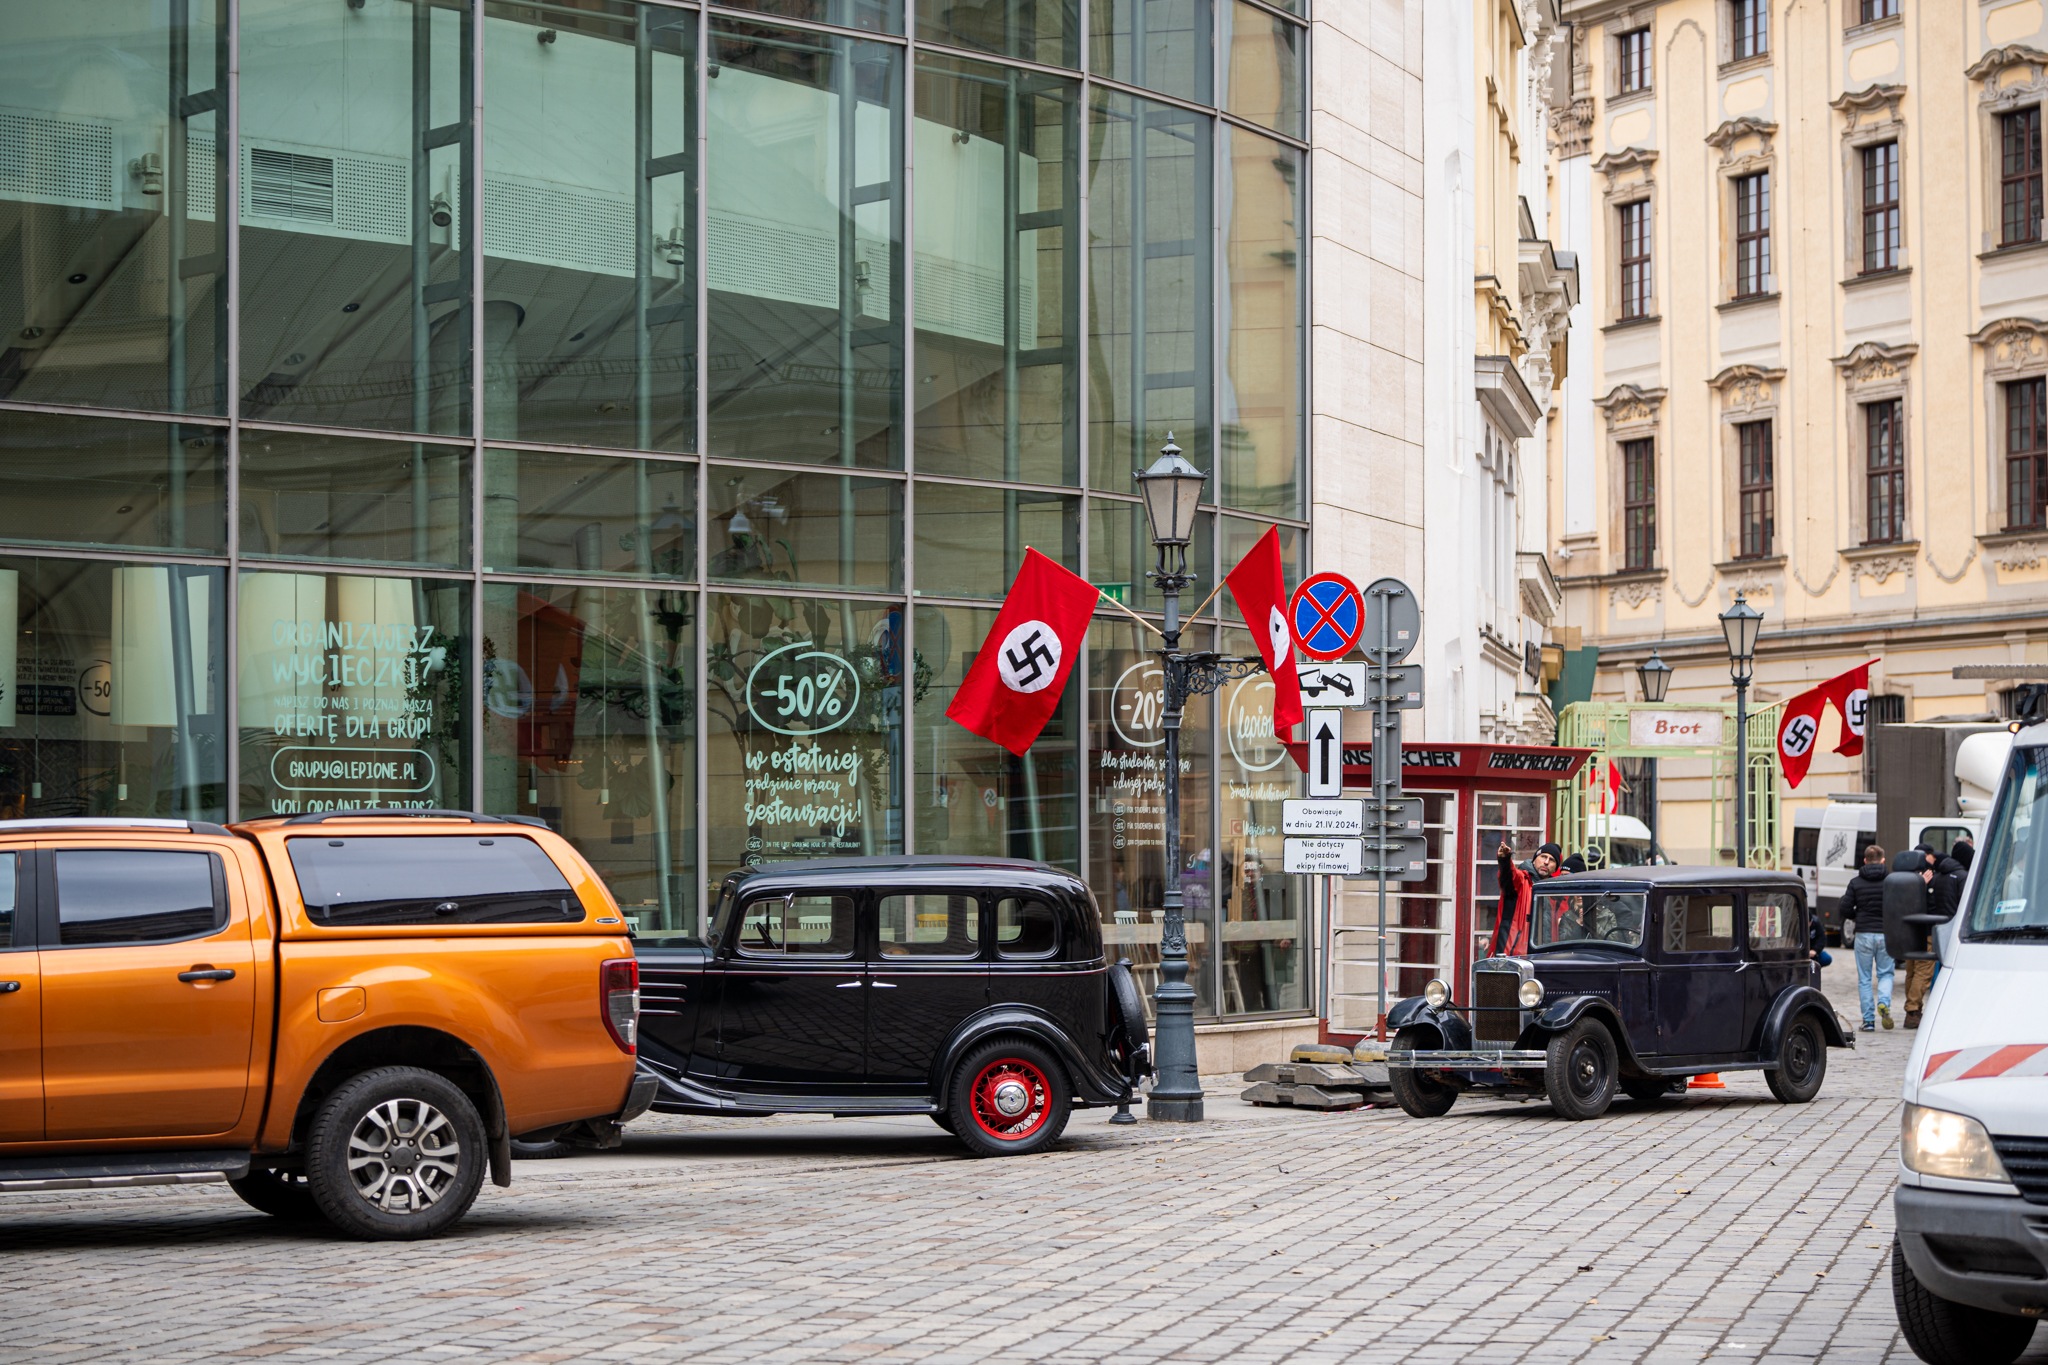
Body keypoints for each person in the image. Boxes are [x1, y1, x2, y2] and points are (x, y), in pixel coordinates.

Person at [1839, 842, 1894, 1031]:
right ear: (1883, 860)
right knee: (1886, 973)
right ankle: (1884, 1002)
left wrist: (1858, 916)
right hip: (1885, 933)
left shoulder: (1855, 882)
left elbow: (1845, 908)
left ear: (1865, 860)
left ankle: (1868, 1021)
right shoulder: (1891, 881)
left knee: (1864, 978)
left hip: (1863, 933)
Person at [1896, 848, 1942, 1028]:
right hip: (1925, 931)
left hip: (1909, 931)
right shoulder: (1924, 879)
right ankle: (1913, 1010)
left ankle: (1913, 1008)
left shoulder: (1903, 877)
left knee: (1912, 971)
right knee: (1922, 971)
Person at [1489, 840, 1559, 956]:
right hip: (1512, 955)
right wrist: (1505, 860)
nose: (1546, 862)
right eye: (1543, 857)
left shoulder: (1553, 894)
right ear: (1534, 859)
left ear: (1556, 868)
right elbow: (1509, 876)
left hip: (1541, 956)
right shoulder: (1522, 880)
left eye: (1551, 860)